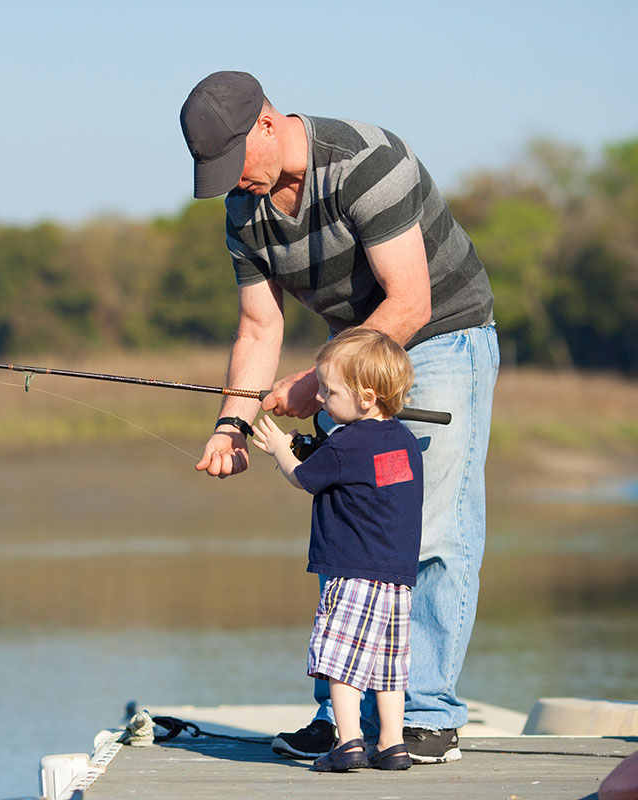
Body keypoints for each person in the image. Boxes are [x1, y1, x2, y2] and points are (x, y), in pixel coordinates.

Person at [179, 70, 499, 765]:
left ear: (267, 124)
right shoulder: (245, 210)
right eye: (218, 174)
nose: (233, 183)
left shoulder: (365, 162)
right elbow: (259, 330)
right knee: (346, 524)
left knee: (433, 525)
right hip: (350, 364)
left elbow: (409, 302)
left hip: (441, 336)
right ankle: (344, 718)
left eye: (236, 164)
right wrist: (229, 427)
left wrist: (318, 383)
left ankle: (427, 714)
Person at [252, 328, 422, 772]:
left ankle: (347, 742)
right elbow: (362, 480)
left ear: (366, 397)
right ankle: (391, 743)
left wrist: (279, 450)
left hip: (351, 573)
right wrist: (317, 449)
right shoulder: (403, 441)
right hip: (397, 577)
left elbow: (305, 478)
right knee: (388, 667)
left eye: (330, 391)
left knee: (340, 662)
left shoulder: (347, 442)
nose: (323, 399)